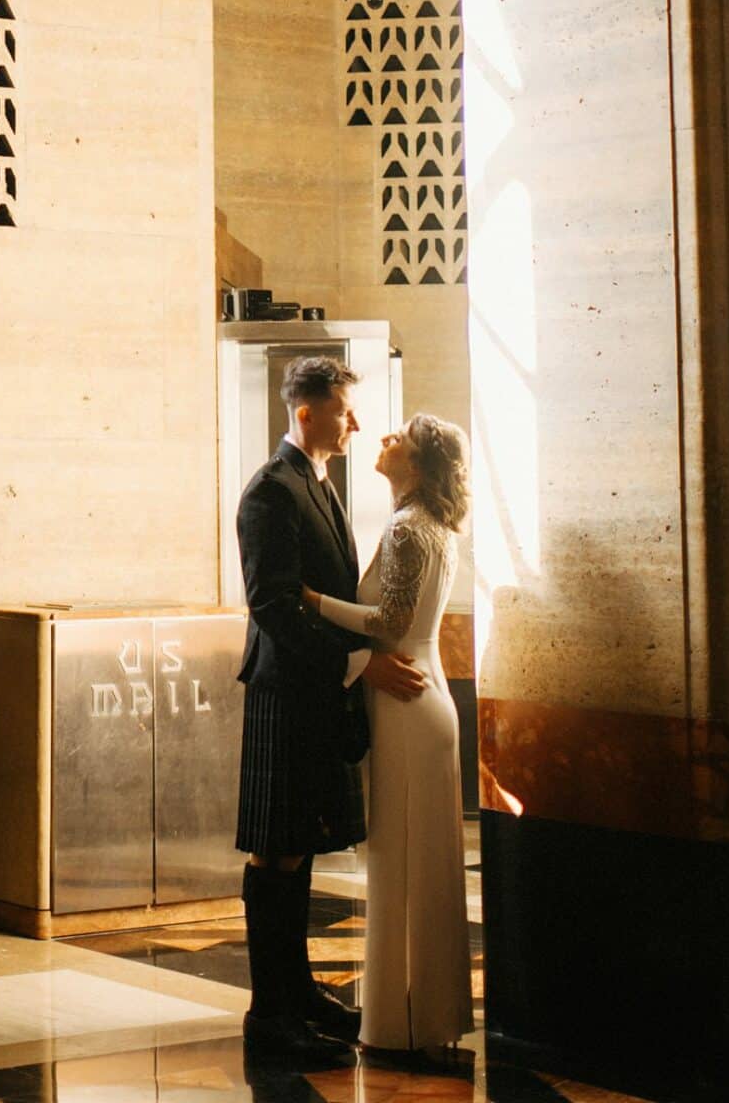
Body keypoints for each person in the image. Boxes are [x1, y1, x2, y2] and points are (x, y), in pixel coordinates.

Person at [234, 354, 426, 1069]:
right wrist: (357, 662)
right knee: (277, 849)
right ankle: (269, 1014)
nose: (354, 423)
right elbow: (272, 607)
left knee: (300, 847)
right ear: (306, 411)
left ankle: (298, 996)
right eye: (344, 409)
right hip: (287, 692)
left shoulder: (317, 483)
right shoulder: (269, 492)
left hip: (316, 695)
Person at [303, 413, 474, 1059]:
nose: (382, 440)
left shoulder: (406, 529)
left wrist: (311, 600)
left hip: (404, 702)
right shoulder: (432, 528)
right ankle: (423, 1016)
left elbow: (388, 618)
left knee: (399, 862)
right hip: (423, 694)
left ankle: (401, 1022)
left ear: (419, 464)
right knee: (422, 865)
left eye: (397, 438)